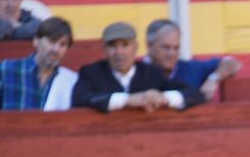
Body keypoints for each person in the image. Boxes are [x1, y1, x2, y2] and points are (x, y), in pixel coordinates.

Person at [71, 21, 205, 113]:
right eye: (113, 46)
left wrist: (164, 98)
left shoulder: (151, 73)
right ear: (104, 49)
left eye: (125, 45)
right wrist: (128, 100)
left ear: (135, 47)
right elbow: (80, 99)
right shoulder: (92, 73)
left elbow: (195, 94)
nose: (119, 52)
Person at [0, 15, 76, 110]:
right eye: (52, 41)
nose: (56, 49)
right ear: (36, 41)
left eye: (62, 44)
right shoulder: (6, 70)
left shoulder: (70, 80)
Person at [144, 17, 240, 101]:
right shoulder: (135, 71)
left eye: (176, 48)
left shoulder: (192, 69)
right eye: (165, 47)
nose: (171, 54)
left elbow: (232, 63)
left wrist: (213, 79)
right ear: (149, 45)